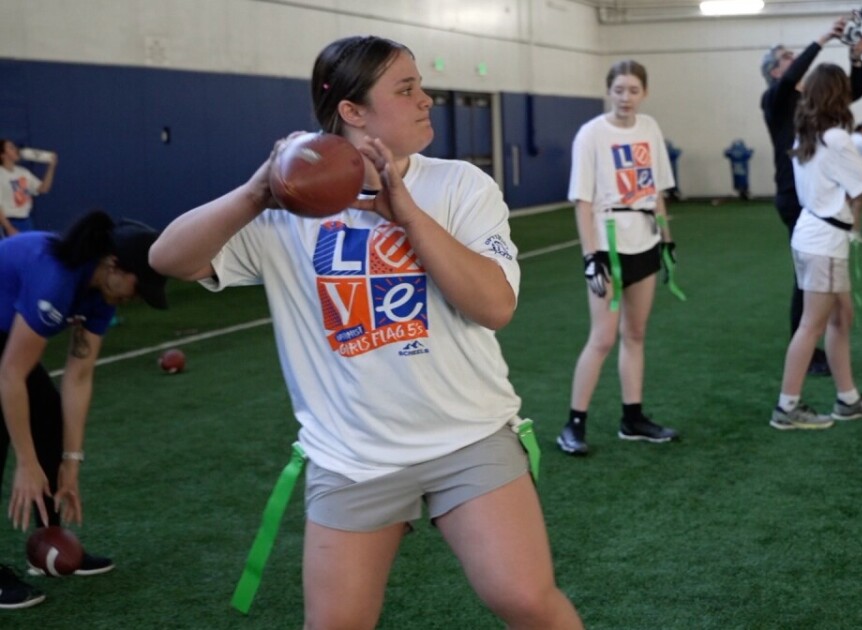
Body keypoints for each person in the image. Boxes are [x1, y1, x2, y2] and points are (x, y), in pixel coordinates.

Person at [148, 36, 582, 629]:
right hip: (353, 456)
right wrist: (257, 191)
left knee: (527, 601)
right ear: (352, 112)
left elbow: (495, 306)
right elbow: (168, 259)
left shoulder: (460, 186)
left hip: (468, 436)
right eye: (406, 90)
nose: (427, 100)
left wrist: (407, 213)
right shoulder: (284, 210)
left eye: (420, 86)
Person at [0, 210, 166, 609]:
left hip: (4, 333)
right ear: (113, 264)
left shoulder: (103, 294)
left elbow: (78, 376)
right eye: (137, 284)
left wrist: (70, 464)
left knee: (47, 415)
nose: (137, 294)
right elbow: (10, 374)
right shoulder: (55, 278)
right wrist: (25, 462)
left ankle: (48, 542)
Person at [556, 60, 679, 456]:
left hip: (644, 241)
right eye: (619, 89)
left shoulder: (650, 128)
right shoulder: (590, 134)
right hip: (608, 245)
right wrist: (591, 256)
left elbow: (657, 190)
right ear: (609, 90)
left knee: (636, 333)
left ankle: (633, 418)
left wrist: (667, 240)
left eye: (633, 90)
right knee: (603, 337)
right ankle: (573, 424)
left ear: (644, 92)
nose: (626, 97)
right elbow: (583, 201)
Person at [770, 63, 862, 431]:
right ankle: (787, 407)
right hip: (823, 239)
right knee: (811, 326)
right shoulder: (836, 137)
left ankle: (848, 399)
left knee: (841, 318)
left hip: (816, 235)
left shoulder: (806, 133)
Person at [761, 16, 862, 374]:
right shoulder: (774, 98)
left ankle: (812, 343)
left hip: (813, 197)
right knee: (806, 277)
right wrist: (822, 39)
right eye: (787, 57)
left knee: (813, 276)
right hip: (798, 198)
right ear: (775, 72)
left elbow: (852, 93)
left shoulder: (807, 102)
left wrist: (855, 60)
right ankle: (806, 347)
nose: (795, 61)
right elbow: (793, 77)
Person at [0, 140, 58, 236]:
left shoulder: (23, 172)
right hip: (9, 221)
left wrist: (51, 167)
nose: (16, 150)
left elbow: (43, 189)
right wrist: (8, 227)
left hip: (26, 220)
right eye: (11, 148)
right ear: (2, 155)